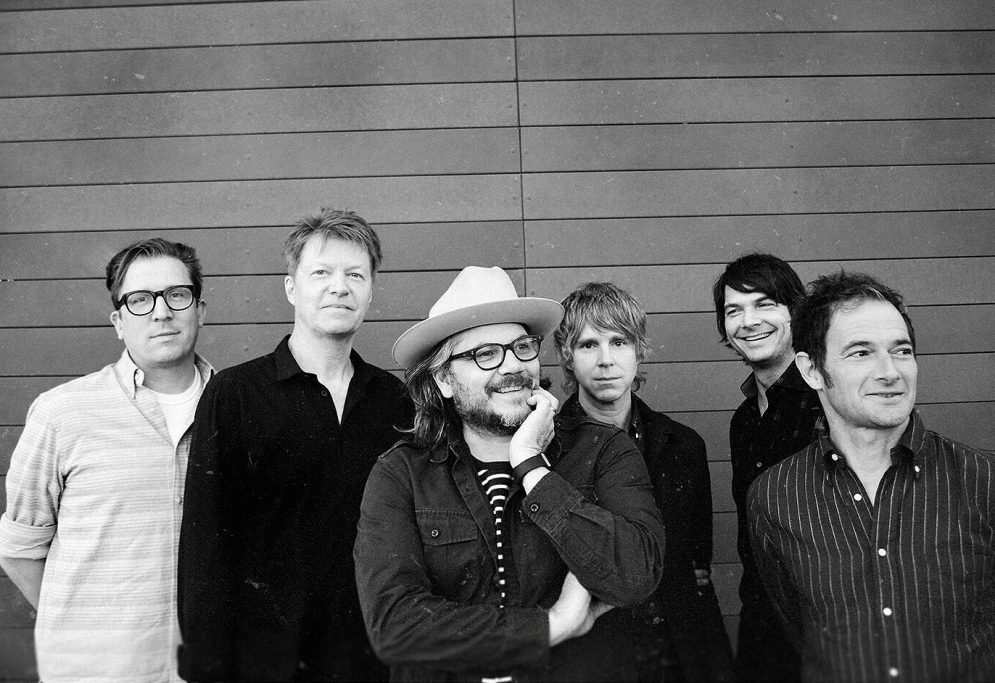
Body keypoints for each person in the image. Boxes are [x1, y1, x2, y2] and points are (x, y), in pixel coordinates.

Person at [354, 266, 665, 682]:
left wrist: (531, 466)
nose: (513, 366)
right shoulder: (402, 474)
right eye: (486, 354)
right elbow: (396, 628)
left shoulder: (602, 449)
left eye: (522, 347)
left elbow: (636, 576)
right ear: (444, 379)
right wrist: (551, 625)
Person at [748, 271, 995, 682]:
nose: (890, 371)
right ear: (811, 370)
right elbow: (795, 630)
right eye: (861, 352)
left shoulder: (991, 483)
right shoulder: (775, 497)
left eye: (902, 351)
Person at [177, 209, 413, 682]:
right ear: (291, 287)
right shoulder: (235, 394)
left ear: (371, 290)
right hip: (266, 666)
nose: (339, 287)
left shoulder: (394, 401)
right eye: (321, 273)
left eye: (355, 275)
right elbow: (204, 550)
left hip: (372, 664)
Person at [0, 238, 212, 682]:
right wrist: (84, 627)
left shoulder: (240, 408)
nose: (161, 312)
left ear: (200, 309)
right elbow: (19, 551)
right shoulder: (62, 413)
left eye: (177, 294)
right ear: (118, 321)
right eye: (140, 300)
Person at [554, 281, 734, 681]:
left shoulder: (682, 445)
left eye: (619, 342)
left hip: (674, 655)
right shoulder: (546, 448)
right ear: (567, 355)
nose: (606, 360)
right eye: (588, 344)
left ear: (639, 351)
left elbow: (694, 566)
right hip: (587, 659)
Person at [712, 253, 822, 681]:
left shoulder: (827, 402)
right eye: (733, 310)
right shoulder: (743, 421)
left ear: (795, 310)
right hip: (762, 634)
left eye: (764, 304)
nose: (749, 321)